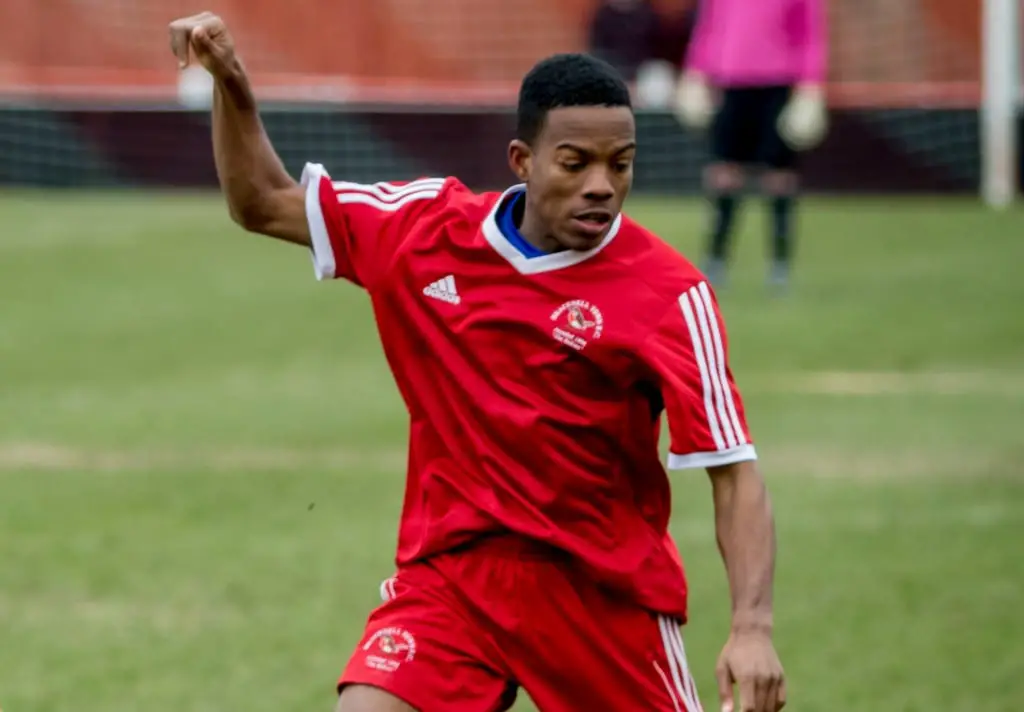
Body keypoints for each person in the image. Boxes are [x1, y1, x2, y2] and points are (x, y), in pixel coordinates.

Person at [168, 12, 786, 712]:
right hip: (453, 580)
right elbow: (262, 202)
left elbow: (734, 473)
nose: (602, 187)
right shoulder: (424, 229)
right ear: (522, 161)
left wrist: (752, 627)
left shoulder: (670, 295)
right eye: (575, 162)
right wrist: (232, 86)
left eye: (620, 164)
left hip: (599, 596)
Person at [674, 0, 829, 290]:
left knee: (779, 178)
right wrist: (694, 73)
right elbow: (708, 29)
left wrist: (811, 85)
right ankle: (715, 260)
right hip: (731, 85)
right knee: (724, 175)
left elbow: (810, 36)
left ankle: (779, 265)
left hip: (778, 85)